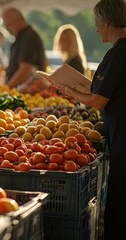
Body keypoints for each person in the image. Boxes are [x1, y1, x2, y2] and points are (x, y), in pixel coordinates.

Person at [59, 0, 126, 238]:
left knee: (120, 206)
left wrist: (72, 92)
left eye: (97, 22)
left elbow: (99, 101)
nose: (96, 28)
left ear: (107, 22)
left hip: (123, 141)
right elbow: (109, 90)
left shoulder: (116, 54)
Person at [2, 8, 47, 89]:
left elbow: (25, 69)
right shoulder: (21, 37)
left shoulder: (28, 37)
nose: (8, 29)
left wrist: (7, 88)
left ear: (19, 20)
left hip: (26, 92)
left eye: (9, 25)